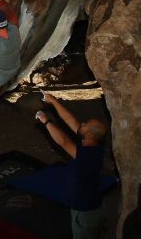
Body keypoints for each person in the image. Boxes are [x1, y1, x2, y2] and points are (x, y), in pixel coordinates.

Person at [36, 92, 109, 239]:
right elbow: (70, 120)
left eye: (86, 125)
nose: (82, 124)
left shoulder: (88, 156)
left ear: (90, 135)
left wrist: (46, 122)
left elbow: (63, 141)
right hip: (94, 207)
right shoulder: (91, 143)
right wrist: (52, 101)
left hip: (86, 213)